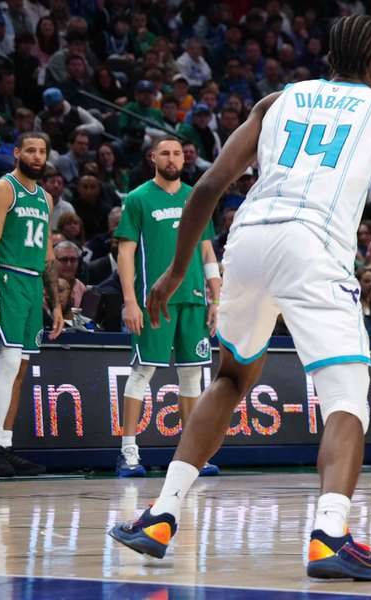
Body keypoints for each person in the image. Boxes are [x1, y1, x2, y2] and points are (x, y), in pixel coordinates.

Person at [108, 15, 371, 581]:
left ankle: (160, 515)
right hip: (314, 246)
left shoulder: (276, 100)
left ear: (328, 57)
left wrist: (173, 271)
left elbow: (208, 187)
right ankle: (331, 535)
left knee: (231, 379)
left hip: (249, 238)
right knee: (346, 398)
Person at [112, 136, 222, 478]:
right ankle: (128, 452)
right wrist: (130, 301)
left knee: (192, 377)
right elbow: (126, 253)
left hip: (192, 299)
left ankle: (189, 457)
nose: (173, 158)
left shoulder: (196, 196)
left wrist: (216, 298)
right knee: (142, 372)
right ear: (152, 158)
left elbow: (206, 252)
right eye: (166, 153)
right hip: (153, 300)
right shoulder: (138, 198)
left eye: (178, 153)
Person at [0, 132, 64, 477]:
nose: (36, 156)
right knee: (6, 365)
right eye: (30, 150)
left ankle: (5, 444)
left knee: (19, 369)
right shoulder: (2, 189)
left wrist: (57, 304)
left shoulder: (46, 199)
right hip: (7, 278)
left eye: (42, 151)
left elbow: (48, 255)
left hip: (33, 285)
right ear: (16, 152)